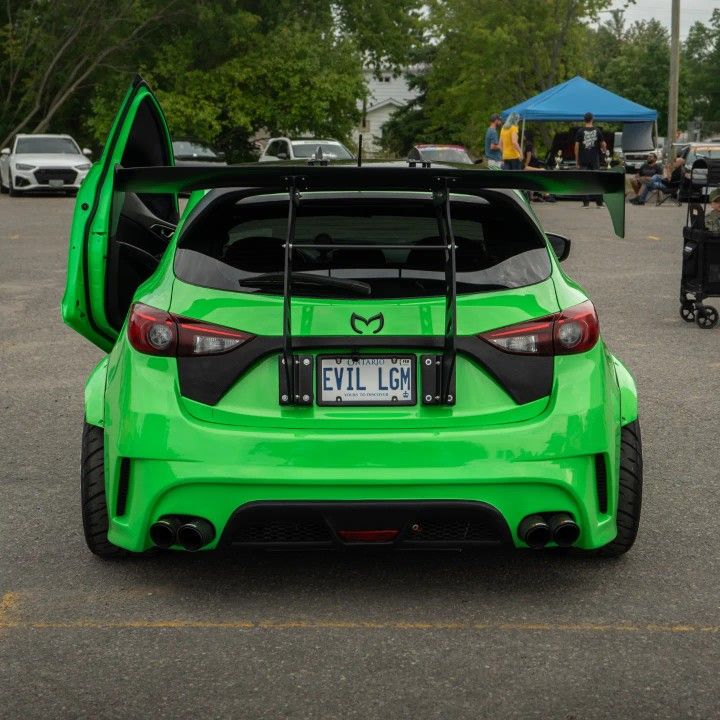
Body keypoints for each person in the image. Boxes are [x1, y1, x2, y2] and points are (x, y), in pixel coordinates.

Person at [574, 112, 607, 207]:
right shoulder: (597, 131)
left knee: (584, 181)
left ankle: (586, 203)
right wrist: (604, 151)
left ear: (584, 120)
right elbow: (603, 146)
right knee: (597, 181)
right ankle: (599, 203)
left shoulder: (580, 131)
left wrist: (577, 161)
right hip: (594, 159)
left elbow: (576, 147)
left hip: (583, 159)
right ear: (592, 119)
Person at [523, 133, 556, 202]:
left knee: (533, 179)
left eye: (524, 135)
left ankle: (545, 195)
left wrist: (525, 164)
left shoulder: (528, 145)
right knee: (533, 180)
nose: (523, 136)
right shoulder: (531, 145)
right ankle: (541, 195)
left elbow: (528, 156)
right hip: (534, 163)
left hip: (532, 164)